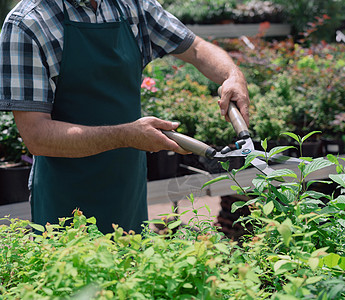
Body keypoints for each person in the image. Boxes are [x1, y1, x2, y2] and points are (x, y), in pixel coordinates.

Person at [0, 0, 249, 233]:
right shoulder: (28, 23)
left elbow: (195, 48)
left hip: (127, 190)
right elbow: (36, 136)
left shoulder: (130, 5)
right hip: (66, 199)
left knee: (131, 271)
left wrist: (232, 75)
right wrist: (126, 135)